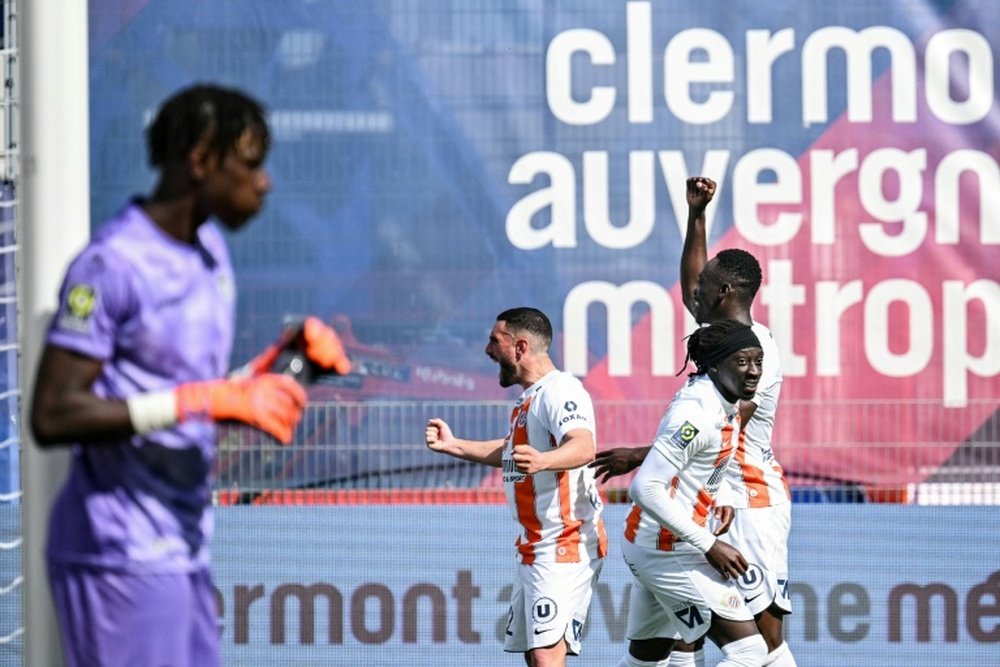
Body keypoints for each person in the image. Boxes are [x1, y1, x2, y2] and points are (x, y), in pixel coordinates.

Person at [28, 84, 350, 667]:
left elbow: (191, 392)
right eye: (251, 163)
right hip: (120, 554)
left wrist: (286, 363)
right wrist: (205, 398)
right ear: (201, 159)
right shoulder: (112, 264)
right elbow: (53, 414)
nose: (265, 182)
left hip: (184, 548)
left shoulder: (209, 252)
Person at [593, 176, 796, 666]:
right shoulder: (721, 338)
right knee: (678, 643)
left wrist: (642, 455)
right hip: (705, 497)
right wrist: (696, 214)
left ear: (724, 291)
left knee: (761, 646)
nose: (691, 294)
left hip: (748, 500)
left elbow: (731, 425)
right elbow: (693, 283)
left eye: (703, 288)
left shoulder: (753, 353)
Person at [424, 307, 607, 667]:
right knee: (532, 652)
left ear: (520, 347)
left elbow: (583, 446)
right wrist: (455, 445)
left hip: (563, 544)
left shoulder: (560, 390)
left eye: (495, 341)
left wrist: (544, 460)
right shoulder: (530, 399)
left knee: (546, 655)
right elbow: (510, 452)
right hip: (535, 545)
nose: (487, 350)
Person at [616, 319, 768, 667]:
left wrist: (724, 493)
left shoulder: (719, 398)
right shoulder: (697, 412)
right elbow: (645, 487)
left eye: (757, 361)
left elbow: (705, 458)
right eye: (742, 362)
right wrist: (710, 544)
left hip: (654, 544)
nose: (754, 371)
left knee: (648, 659)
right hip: (666, 550)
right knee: (749, 653)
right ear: (715, 365)